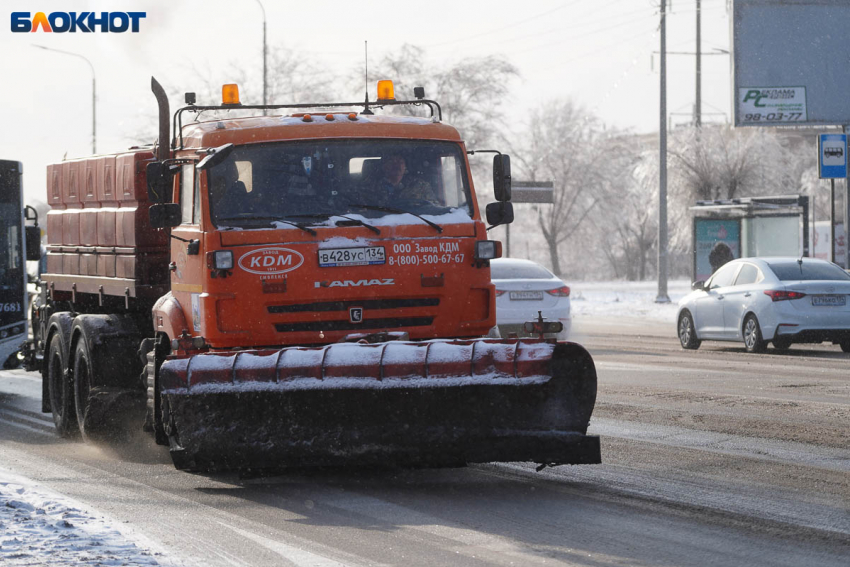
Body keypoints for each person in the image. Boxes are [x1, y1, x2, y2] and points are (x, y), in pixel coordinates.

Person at [366, 154, 434, 205]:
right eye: (391, 162)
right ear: (384, 166)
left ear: (405, 167)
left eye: (400, 162)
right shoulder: (370, 187)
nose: (396, 165)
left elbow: (433, 209)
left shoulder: (420, 186)